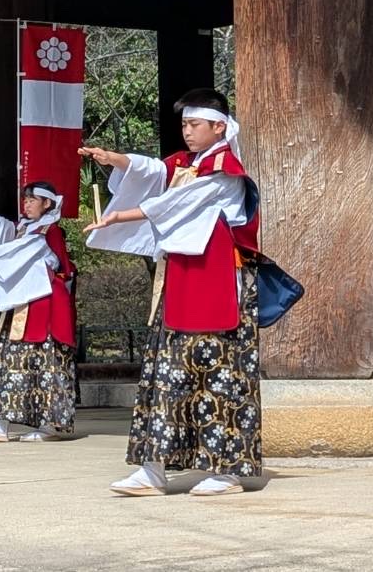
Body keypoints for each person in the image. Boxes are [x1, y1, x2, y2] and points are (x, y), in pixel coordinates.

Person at [83, 87, 301, 498]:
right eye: (184, 124)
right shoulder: (186, 163)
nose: (187, 131)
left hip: (217, 279)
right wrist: (115, 159)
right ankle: (152, 468)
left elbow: (177, 203)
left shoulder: (225, 169)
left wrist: (120, 216)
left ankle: (227, 469)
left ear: (219, 126)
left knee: (220, 375)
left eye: (194, 124)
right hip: (179, 278)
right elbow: (153, 172)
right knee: (163, 372)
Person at [0, 181, 77, 443]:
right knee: (13, 359)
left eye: (34, 199)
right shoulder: (24, 228)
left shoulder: (48, 230)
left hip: (45, 299)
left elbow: (21, 250)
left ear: (48, 203)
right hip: (26, 298)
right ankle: (1, 422)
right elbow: (5, 230)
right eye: (26, 199)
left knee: (46, 362)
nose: (27, 203)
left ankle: (50, 425)